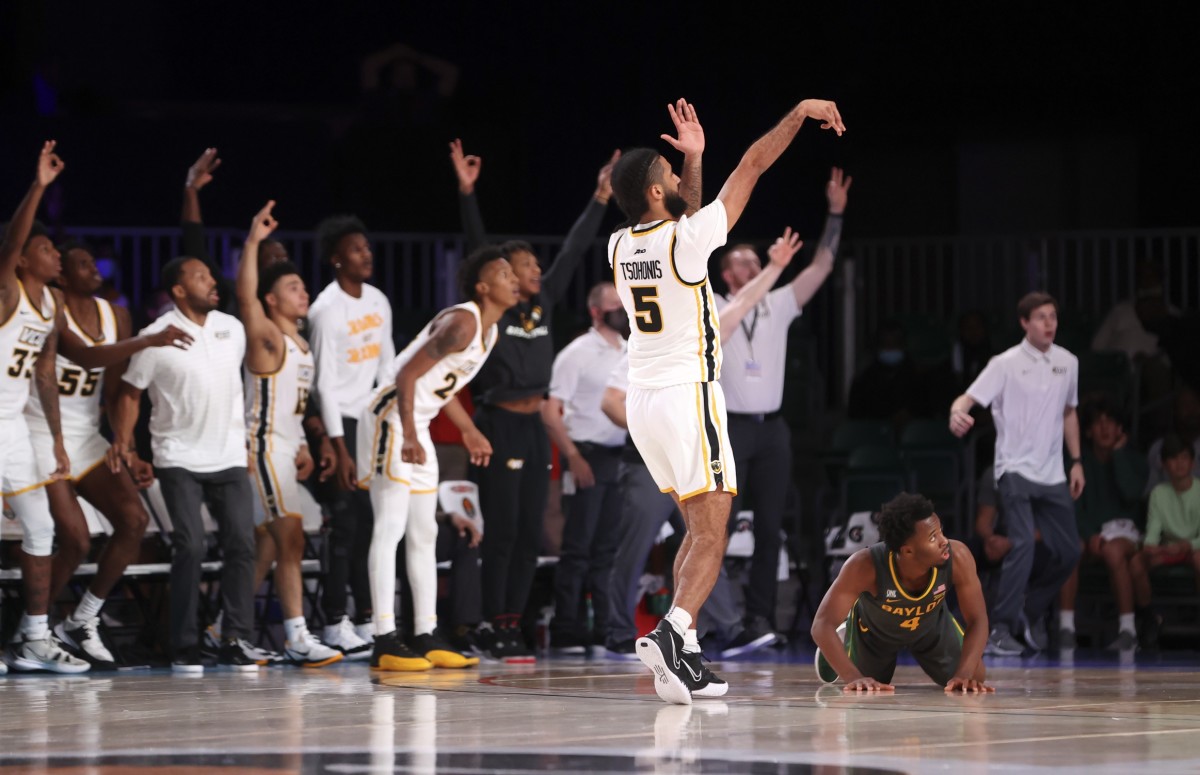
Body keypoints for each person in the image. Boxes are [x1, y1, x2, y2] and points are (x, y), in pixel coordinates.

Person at [608, 96, 845, 704]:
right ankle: (674, 630)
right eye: (667, 172)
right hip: (689, 396)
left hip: (644, 402)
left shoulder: (620, 246)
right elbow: (753, 166)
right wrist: (795, 113)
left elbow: (683, 210)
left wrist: (691, 158)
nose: (674, 176)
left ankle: (682, 654)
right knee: (714, 532)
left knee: (696, 525)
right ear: (658, 194)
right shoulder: (686, 246)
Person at [449, 138, 619, 660]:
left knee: (528, 534)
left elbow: (572, 250)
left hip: (533, 428)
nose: (534, 271)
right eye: (523, 265)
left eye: (532, 266)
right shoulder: (492, 311)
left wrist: (599, 198)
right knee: (499, 533)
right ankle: (484, 623)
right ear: (502, 274)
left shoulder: (541, 308)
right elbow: (478, 247)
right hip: (497, 423)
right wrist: (467, 193)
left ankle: (511, 622)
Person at [27, 238, 190, 669]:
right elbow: (84, 356)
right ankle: (30, 627)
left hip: (87, 436)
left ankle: (80, 621)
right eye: (81, 263)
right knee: (77, 539)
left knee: (134, 521)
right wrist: (147, 340)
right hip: (43, 432)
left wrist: (125, 442)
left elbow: (117, 386)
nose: (92, 268)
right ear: (63, 275)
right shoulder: (51, 302)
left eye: (92, 262)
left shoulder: (114, 313)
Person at [361, 245, 518, 671]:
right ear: (483, 287)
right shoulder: (463, 321)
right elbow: (406, 374)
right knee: (390, 526)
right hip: (392, 419)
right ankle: (383, 638)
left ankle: (426, 633)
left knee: (424, 531)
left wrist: (468, 430)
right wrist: (410, 433)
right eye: (505, 273)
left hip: (418, 422)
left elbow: (438, 386)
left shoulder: (490, 331)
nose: (514, 279)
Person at [717, 167, 851, 654]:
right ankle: (716, 620)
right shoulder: (714, 304)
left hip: (772, 431)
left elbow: (821, 267)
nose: (753, 267)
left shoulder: (779, 303)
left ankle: (758, 620)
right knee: (720, 527)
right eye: (744, 262)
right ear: (727, 274)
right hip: (729, 428)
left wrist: (834, 213)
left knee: (771, 527)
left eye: (758, 261)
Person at [108, 255, 261, 673]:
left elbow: (246, 384)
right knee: (190, 545)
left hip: (229, 454)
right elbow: (130, 393)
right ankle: (182, 645)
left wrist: (246, 435)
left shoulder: (233, 328)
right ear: (178, 290)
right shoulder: (155, 336)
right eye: (200, 277)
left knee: (242, 544)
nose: (212, 282)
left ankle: (236, 638)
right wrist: (125, 443)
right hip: (178, 455)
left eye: (211, 275)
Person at [234, 201, 344, 668]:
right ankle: (297, 636)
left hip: (284, 448)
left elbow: (290, 406)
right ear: (273, 300)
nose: (304, 293)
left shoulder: (301, 345)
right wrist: (254, 242)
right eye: (293, 288)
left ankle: (225, 627)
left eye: (304, 285)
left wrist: (302, 442)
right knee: (292, 538)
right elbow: (244, 300)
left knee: (270, 544)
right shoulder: (268, 337)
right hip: (260, 448)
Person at [949, 292, 1084, 656]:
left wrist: (1077, 461)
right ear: (1025, 323)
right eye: (1041, 317)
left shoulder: (1068, 362)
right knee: (1022, 542)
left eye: (1053, 316)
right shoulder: (1004, 363)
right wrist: (955, 412)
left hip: (1053, 472)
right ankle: (1001, 629)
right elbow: (967, 399)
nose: (1049, 323)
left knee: (1071, 550)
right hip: (1014, 469)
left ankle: (1029, 609)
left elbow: (1069, 412)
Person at [307, 213, 395, 658]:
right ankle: (334, 621)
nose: (367, 255)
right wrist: (338, 446)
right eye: (357, 250)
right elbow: (322, 382)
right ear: (337, 259)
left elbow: (387, 365)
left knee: (369, 524)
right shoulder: (324, 309)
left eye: (367, 247)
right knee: (344, 525)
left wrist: (392, 420)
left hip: (372, 421)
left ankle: (365, 618)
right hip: (342, 422)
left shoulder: (378, 300)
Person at [811, 492, 993, 693]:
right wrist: (853, 677)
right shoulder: (864, 565)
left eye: (941, 531)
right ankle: (845, 639)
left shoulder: (958, 556)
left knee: (975, 677)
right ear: (907, 551)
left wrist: (964, 675)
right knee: (868, 686)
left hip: (931, 629)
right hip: (875, 634)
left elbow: (978, 619)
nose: (944, 541)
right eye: (933, 537)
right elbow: (822, 625)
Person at [541, 282, 628, 654]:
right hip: (585, 455)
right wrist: (572, 456)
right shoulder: (577, 353)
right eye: (615, 306)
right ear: (596, 311)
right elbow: (550, 410)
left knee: (608, 548)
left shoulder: (630, 350)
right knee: (577, 547)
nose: (623, 312)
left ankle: (605, 627)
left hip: (618, 455)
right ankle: (566, 628)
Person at [1057, 394, 1148, 650]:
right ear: (1087, 430)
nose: (1105, 427)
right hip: (1092, 536)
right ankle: (1065, 628)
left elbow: (1131, 493)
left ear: (1121, 429)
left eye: (1111, 422)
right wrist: (1089, 534)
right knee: (1070, 547)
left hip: (1125, 534)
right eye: (1098, 422)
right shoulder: (1077, 464)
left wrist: (1118, 454)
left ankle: (1128, 631)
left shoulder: (1135, 460)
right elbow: (1073, 508)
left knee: (1112, 550)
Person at [1133, 435, 1200, 599]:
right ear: (1163, 464)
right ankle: (1149, 615)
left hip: (1194, 547)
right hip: (1168, 547)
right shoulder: (1158, 493)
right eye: (1173, 458)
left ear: (1193, 463)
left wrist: (1188, 544)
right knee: (1136, 563)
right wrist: (1150, 546)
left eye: (1185, 457)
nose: (1179, 463)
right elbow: (1153, 529)